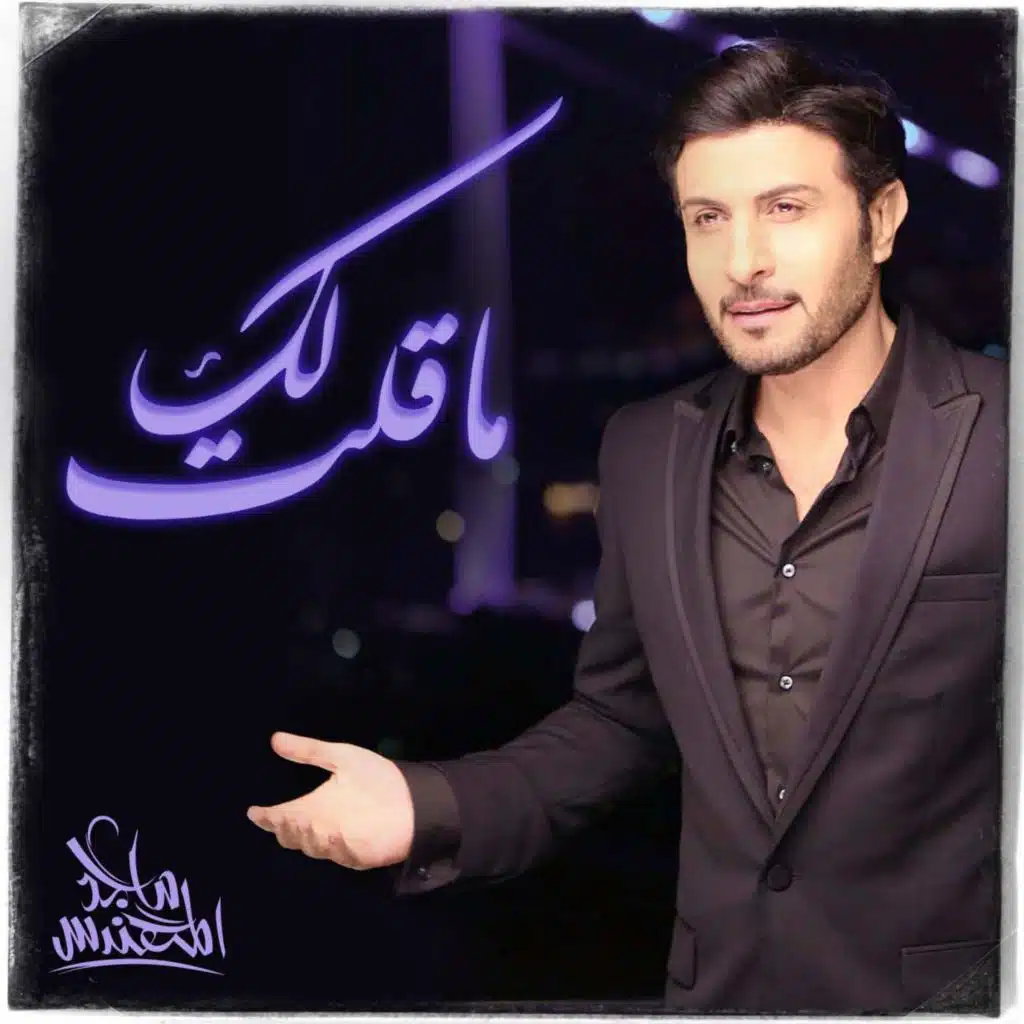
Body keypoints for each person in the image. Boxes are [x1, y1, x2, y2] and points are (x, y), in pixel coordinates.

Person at [247, 39, 1006, 1014]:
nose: (743, 262)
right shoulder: (647, 451)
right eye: (707, 218)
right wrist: (424, 804)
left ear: (883, 217)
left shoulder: (1005, 434)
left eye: (786, 208)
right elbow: (620, 723)